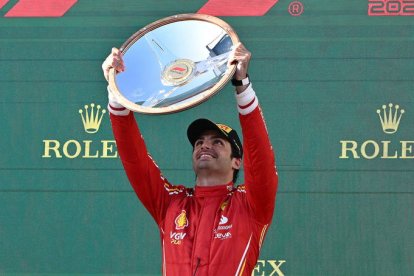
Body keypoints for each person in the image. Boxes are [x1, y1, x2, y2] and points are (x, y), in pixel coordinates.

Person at [102, 42, 278, 275]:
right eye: (199, 142)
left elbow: (260, 157)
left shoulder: (250, 204)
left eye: (217, 142)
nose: (205, 145)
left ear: (237, 161)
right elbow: (135, 160)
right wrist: (117, 92)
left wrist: (242, 86)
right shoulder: (171, 202)